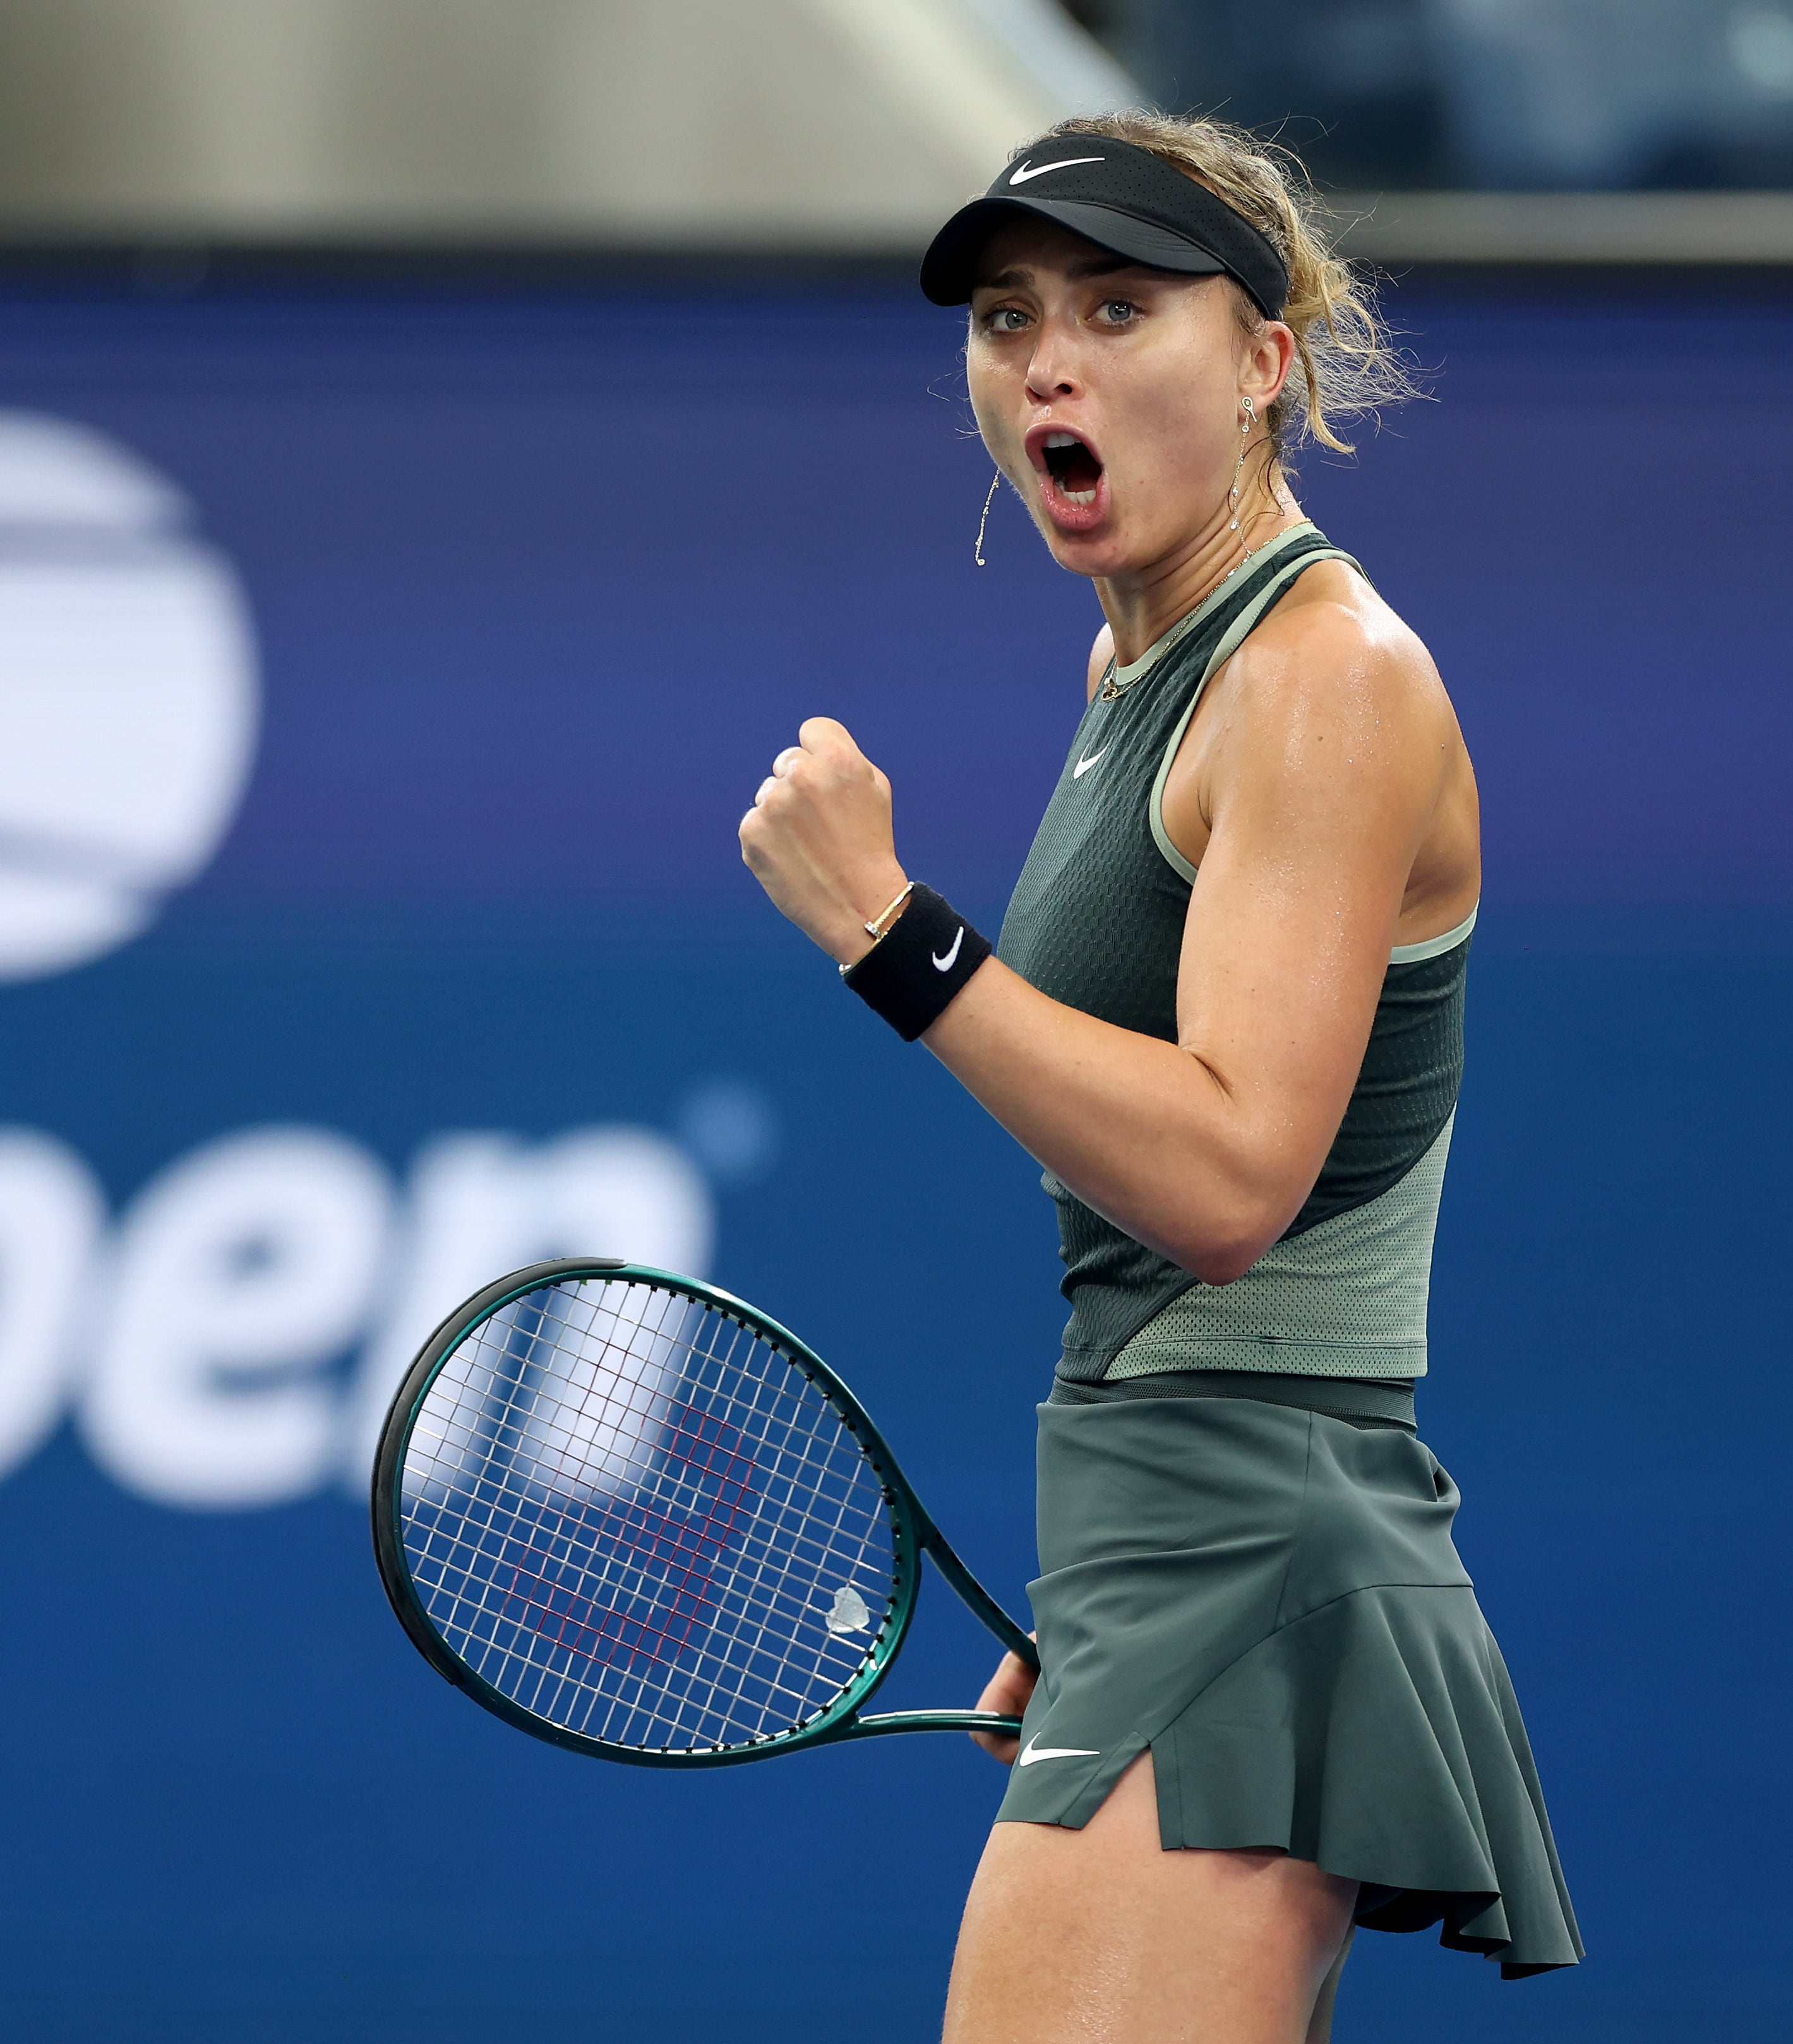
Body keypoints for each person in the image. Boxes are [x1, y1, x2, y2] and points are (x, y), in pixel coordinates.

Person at [734, 112, 1581, 2041]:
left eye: (1121, 307)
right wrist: (1107, 1571)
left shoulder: (1324, 677)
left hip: (1255, 1546)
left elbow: (1223, 1185)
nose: (1048, 360)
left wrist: (895, 933)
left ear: (1267, 357)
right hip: (1172, 1536)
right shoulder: (1152, 672)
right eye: (1010, 318)